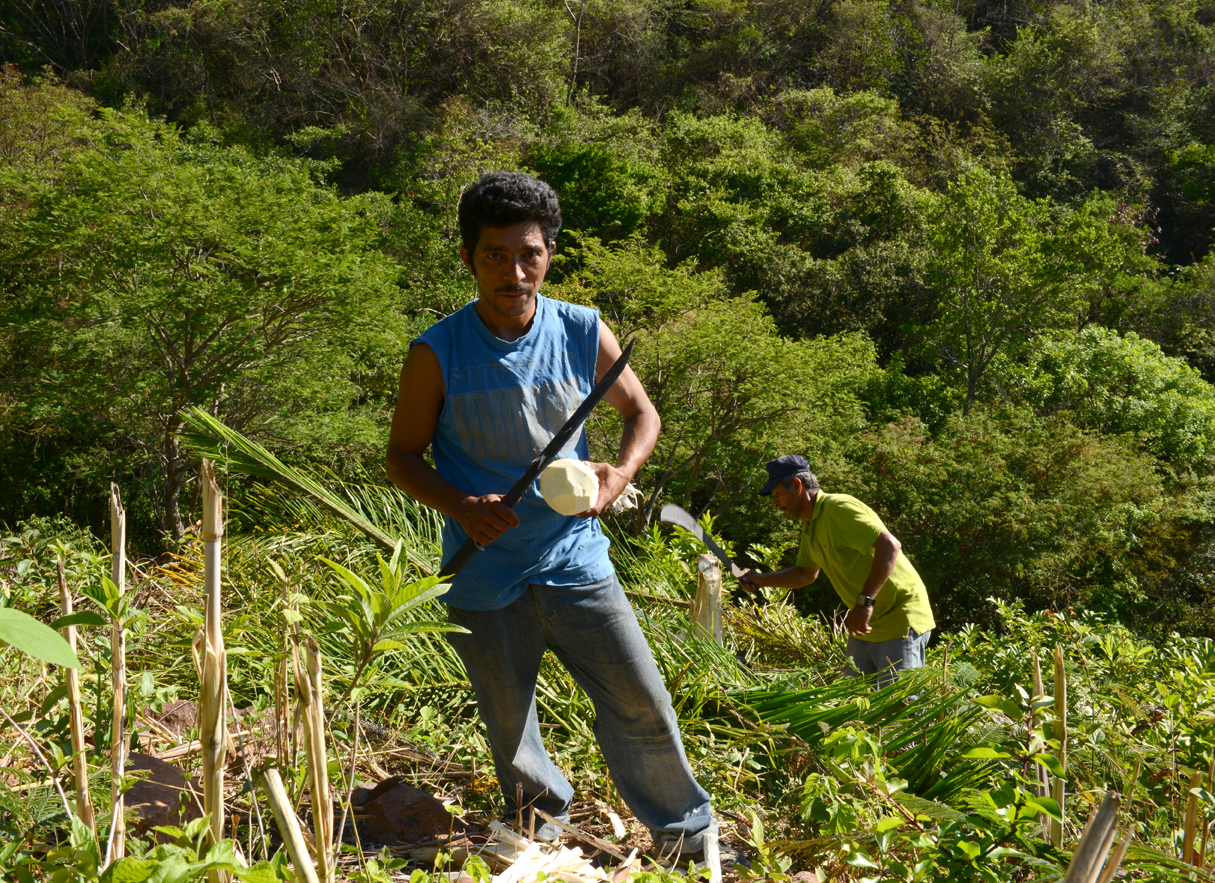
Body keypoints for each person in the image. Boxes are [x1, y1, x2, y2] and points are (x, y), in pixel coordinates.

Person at [384, 172, 713, 858]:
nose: (513, 270)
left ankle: (685, 834)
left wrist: (618, 475)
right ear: (469, 258)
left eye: (528, 253)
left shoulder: (582, 329)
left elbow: (640, 412)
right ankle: (540, 825)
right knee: (510, 723)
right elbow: (402, 457)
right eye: (494, 255)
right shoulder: (435, 352)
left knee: (639, 700)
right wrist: (462, 506)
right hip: (481, 573)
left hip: (575, 557)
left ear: (549, 252)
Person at [737, 455, 935, 686]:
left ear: (797, 486)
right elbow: (805, 574)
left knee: (901, 709)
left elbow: (890, 545)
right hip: (865, 626)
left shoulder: (839, 509)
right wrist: (760, 580)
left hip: (898, 618)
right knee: (853, 702)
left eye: (777, 494)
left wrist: (864, 602)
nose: (775, 503)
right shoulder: (810, 524)